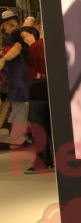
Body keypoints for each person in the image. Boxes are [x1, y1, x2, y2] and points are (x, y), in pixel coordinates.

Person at [20, 25, 53, 172]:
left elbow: (29, 73)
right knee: (50, 129)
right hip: (49, 93)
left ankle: (43, 161)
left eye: (24, 36)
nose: (23, 39)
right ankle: (49, 160)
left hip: (37, 93)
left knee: (39, 128)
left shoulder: (33, 49)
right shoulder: (46, 46)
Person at [0, 9, 30, 150]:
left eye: (15, 24)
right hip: (14, 81)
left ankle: (17, 138)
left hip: (14, 81)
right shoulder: (9, 39)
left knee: (16, 108)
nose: (14, 27)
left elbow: (17, 49)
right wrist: (4, 59)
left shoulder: (13, 38)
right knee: (18, 108)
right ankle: (17, 139)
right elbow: (16, 48)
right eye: (10, 25)